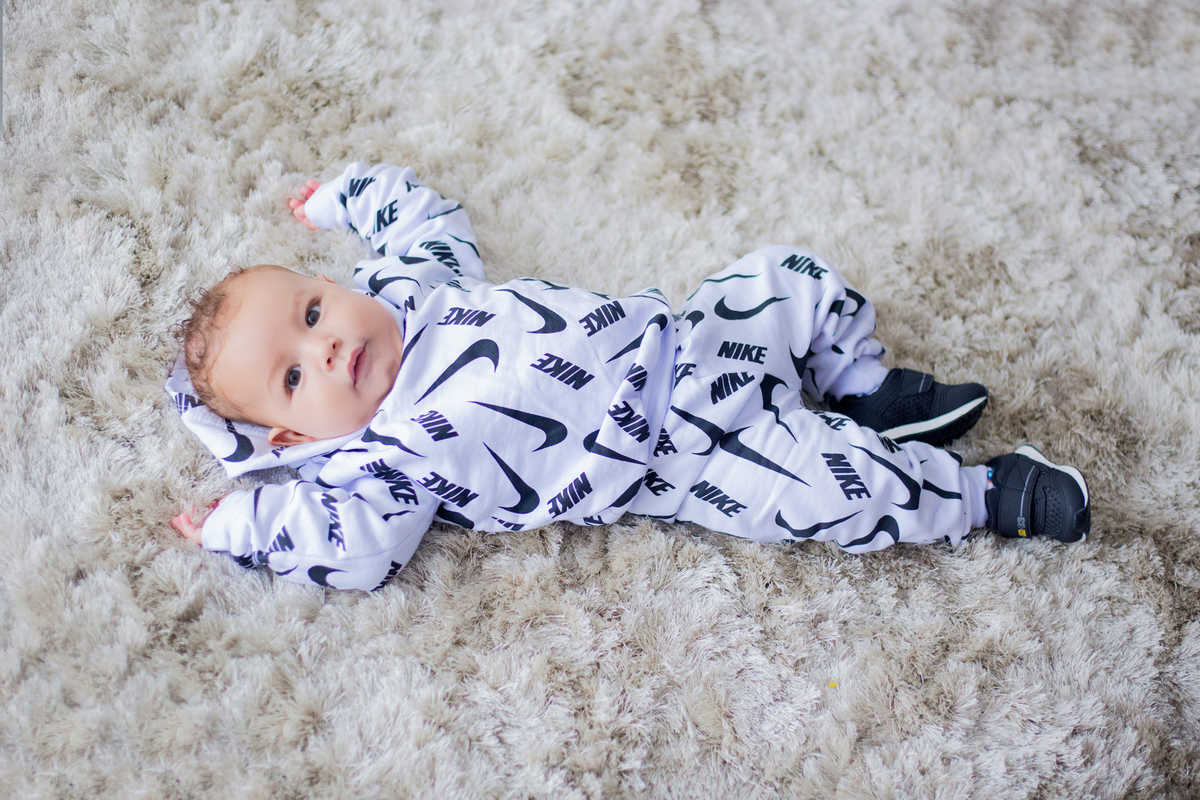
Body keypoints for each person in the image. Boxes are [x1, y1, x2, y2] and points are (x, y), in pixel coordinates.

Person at [165, 162, 1091, 592]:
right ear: (292, 439)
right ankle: (985, 495)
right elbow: (348, 547)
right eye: (292, 377)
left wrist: (342, 197)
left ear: (334, 286)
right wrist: (241, 523)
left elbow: (419, 217)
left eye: (314, 314)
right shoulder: (386, 463)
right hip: (687, 454)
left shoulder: (419, 288)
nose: (324, 349)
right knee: (830, 492)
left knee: (788, 272)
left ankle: (859, 384)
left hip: (693, 333)